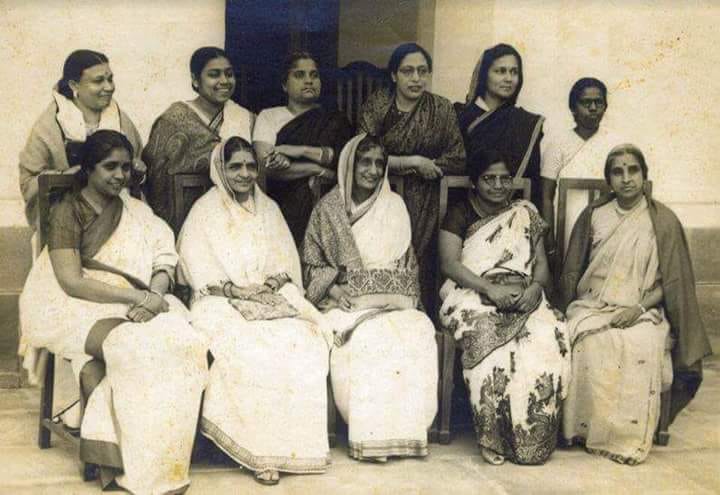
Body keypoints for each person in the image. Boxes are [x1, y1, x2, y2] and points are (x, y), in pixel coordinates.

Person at [18, 130, 208, 494]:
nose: (120, 176)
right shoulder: (66, 212)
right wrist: (135, 299)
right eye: (110, 167)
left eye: (125, 168)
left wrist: (155, 293)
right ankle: (132, 470)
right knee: (136, 351)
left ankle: (167, 459)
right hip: (75, 307)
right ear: (88, 168)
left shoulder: (137, 211)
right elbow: (71, 282)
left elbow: (163, 257)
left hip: (139, 300)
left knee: (187, 342)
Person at [177, 137, 331, 486]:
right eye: (236, 167)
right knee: (249, 345)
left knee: (303, 337)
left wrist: (269, 288)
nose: (245, 174)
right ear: (222, 169)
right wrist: (236, 291)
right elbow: (199, 272)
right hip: (220, 300)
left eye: (250, 166)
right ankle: (258, 452)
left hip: (267, 296)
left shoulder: (269, 208)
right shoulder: (205, 211)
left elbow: (285, 263)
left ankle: (295, 448)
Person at [559, 144, 711, 465]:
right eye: (618, 172)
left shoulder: (664, 221)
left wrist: (638, 309)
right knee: (590, 340)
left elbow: (668, 283)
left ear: (644, 175)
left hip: (643, 308)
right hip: (593, 306)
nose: (626, 179)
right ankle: (586, 430)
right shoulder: (593, 217)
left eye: (633, 170)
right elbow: (574, 271)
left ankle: (626, 436)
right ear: (609, 180)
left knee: (639, 344)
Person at [302, 134, 438, 463]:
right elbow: (310, 265)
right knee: (368, 339)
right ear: (349, 165)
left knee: (417, 330)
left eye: (380, 163)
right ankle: (371, 436)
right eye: (365, 162)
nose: (373, 170)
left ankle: (406, 433)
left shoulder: (394, 206)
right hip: (345, 304)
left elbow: (408, 263)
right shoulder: (328, 210)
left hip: (391, 301)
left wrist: (399, 293)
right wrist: (335, 290)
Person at [438, 148, 569, 465]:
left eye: (504, 178)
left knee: (548, 336)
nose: (497, 186)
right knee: (490, 344)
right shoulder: (460, 212)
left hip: (524, 291)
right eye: (489, 179)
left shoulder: (525, 212)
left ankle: (531, 440)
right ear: (475, 183)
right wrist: (489, 289)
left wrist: (536, 288)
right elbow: (449, 264)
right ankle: (494, 438)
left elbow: (541, 266)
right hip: (471, 291)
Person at [358, 42, 465, 313]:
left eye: (422, 71)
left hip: (428, 201)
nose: (416, 78)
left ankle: (420, 316)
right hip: (381, 194)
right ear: (394, 75)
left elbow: (457, 157)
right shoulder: (378, 105)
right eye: (408, 71)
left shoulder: (441, 109)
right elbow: (360, 153)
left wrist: (428, 168)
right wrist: (415, 163)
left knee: (424, 263)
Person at [19, 49, 145, 228]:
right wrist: (64, 177)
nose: (109, 87)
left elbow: (138, 171)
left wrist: (137, 170)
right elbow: (29, 182)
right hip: (67, 217)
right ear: (74, 85)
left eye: (110, 79)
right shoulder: (49, 126)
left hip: (119, 212)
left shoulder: (121, 121)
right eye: (98, 81)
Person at [144, 46, 254, 229]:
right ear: (195, 80)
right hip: (185, 216)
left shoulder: (246, 118)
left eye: (229, 74)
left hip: (236, 217)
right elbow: (155, 171)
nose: (224, 81)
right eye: (214, 74)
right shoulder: (174, 119)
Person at [252, 51, 353, 245]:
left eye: (314, 75)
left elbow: (345, 161)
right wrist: (316, 169)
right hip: (281, 200)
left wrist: (299, 151)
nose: (309, 81)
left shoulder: (335, 120)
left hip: (329, 200)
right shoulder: (269, 116)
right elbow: (265, 167)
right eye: (299, 75)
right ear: (284, 85)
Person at [455, 43, 544, 209]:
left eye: (514, 72)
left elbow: (533, 182)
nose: (509, 78)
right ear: (484, 75)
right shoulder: (461, 116)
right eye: (500, 71)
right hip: (464, 211)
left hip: (512, 216)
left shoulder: (527, 123)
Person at [541, 77, 619, 264]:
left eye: (598, 102)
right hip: (566, 225)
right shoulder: (557, 144)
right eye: (586, 102)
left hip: (606, 226)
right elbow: (546, 197)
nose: (593, 108)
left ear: (605, 106)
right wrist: (550, 244)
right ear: (573, 108)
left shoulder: (615, 143)